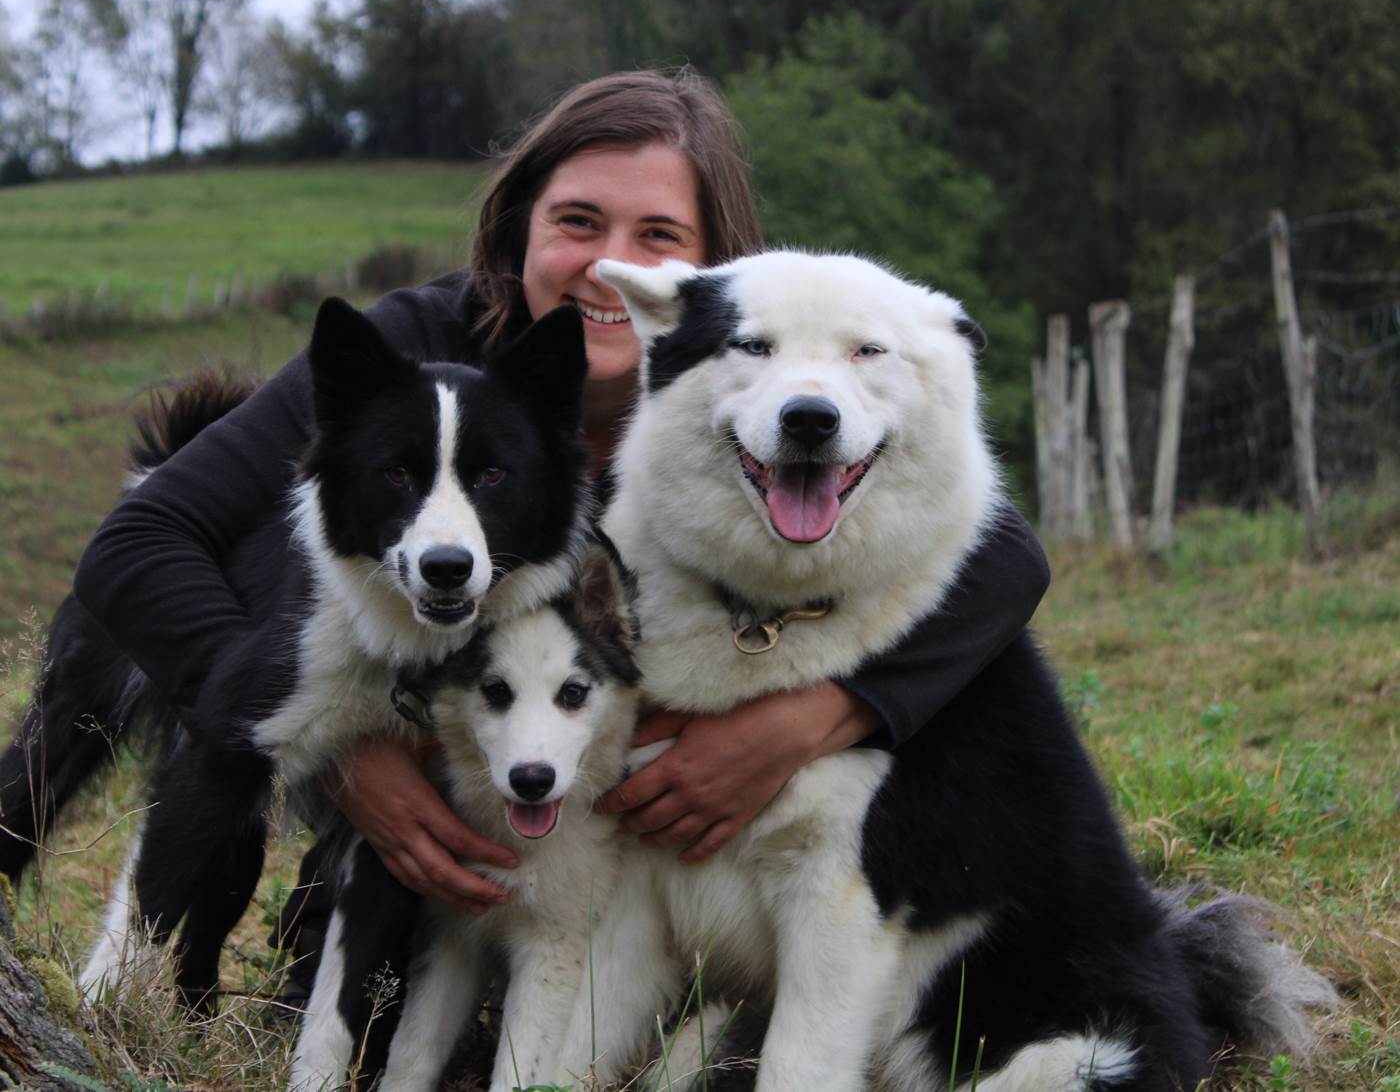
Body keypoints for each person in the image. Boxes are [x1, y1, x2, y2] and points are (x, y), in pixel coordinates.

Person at [73, 68, 1050, 920]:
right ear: (517, 228)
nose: (604, 265)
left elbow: (1003, 561)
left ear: (713, 270)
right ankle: (313, 929)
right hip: (416, 818)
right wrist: (342, 756)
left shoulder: (758, 399)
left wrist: (814, 718)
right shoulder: (414, 348)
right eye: (576, 222)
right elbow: (142, 539)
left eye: (657, 234)